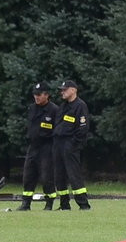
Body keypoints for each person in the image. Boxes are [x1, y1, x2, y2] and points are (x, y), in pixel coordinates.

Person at [17, 82, 58, 211]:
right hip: (33, 146)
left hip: (47, 147)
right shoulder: (32, 108)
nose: (36, 97)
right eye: (35, 94)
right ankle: (26, 203)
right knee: (28, 175)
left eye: (39, 94)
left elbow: (57, 130)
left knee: (46, 176)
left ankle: (49, 203)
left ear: (47, 95)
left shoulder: (54, 110)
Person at [53, 80, 91, 210]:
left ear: (73, 90)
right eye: (61, 90)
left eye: (65, 89)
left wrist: (74, 143)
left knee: (73, 174)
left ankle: (83, 204)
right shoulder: (63, 106)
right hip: (58, 143)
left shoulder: (80, 105)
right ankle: (64, 204)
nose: (62, 92)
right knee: (59, 175)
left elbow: (83, 127)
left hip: (70, 143)